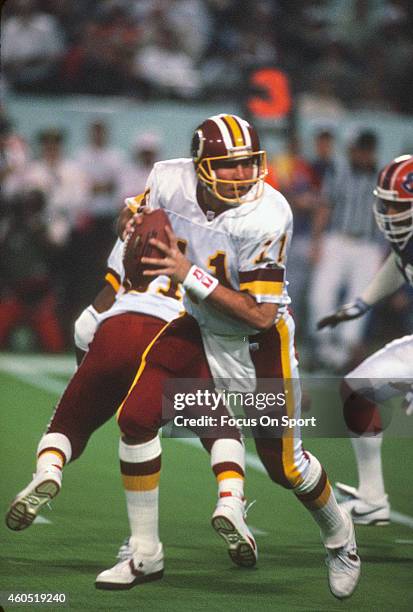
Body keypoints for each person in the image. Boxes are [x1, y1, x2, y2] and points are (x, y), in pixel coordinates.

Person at [97, 113, 360, 599]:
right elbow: (130, 216)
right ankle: (143, 551)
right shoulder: (169, 178)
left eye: (248, 164)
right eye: (230, 165)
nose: (243, 174)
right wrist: (131, 224)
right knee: (135, 417)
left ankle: (340, 535)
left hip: (259, 345)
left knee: (286, 467)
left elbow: (259, 315)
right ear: (201, 166)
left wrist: (185, 273)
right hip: (197, 326)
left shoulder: (267, 212)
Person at [6, 233, 254, 572]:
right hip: (173, 335)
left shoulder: (139, 226)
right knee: (218, 426)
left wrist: (91, 372)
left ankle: (49, 470)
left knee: (68, 424)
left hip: (115, 328)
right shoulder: (222, 233)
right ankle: (229, 501)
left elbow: (87, 321)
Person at [317, 154, 413, 525]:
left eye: (395, 204)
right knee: (356, 390)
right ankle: (373, 499)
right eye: (385, 202)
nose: (386, 211)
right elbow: (399, 264)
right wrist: (361, 303)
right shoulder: (406, 239)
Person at [309, 129, 384, 372]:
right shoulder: (338, 171)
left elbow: (388, 218)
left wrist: (384, 253)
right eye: (360, 150)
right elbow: (324, 206)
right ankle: (322, 347)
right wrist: (317, 242)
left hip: (368, 245)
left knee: (359, 299)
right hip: (337, 239)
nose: (363, 156)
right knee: (321, 294)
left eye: (367, 151)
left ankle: (344, 355)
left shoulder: (382, 178)